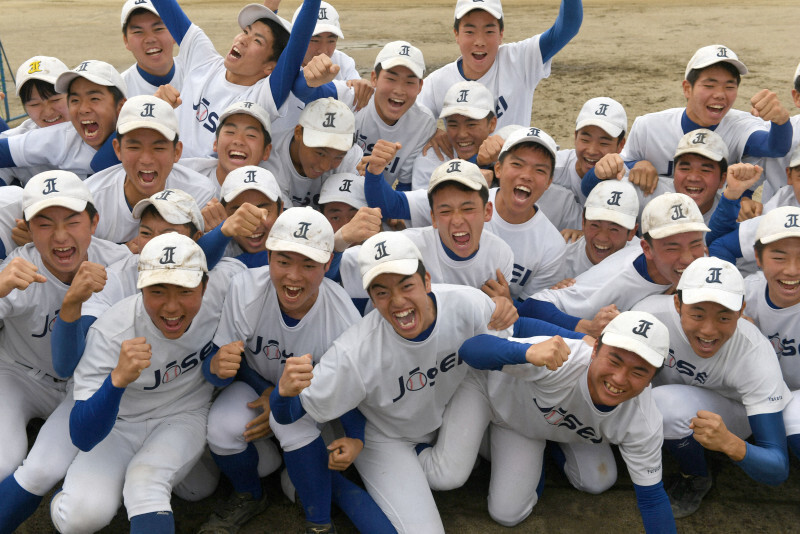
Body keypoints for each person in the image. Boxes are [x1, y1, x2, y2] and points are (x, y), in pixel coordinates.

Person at [271, 230, 513, 533]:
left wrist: (512, 311)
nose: (398, 301)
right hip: (385, 437)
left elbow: (509, 340)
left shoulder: (465, 303)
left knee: (450, 478)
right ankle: (332, 482)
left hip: (439, 412)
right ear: (371, 298)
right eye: (382, 291)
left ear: (426, 281)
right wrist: (282, 394)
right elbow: (287, 416)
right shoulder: (355, 351)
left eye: (406, 284)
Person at [201, 207, 393, 534]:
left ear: (327, 265)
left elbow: (350, 393)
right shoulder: (246, 288)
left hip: (310, 400)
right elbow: (223, 365)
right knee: (221, 426)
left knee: (290, 421)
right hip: (256, 382)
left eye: (308, 264)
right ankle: (249, 493)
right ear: (269, 256)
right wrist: (217, 368)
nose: (294, 275)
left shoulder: (342, 315)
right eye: (284, 261)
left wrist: (356, 436)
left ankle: (319, 525)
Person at [51, 233, 245, 533]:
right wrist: (116, 382)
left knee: (162, 484)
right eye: (157, 291)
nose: (171, 306)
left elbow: (266, 273)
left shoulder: (224, 288)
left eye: (184, 290)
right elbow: (82, 435)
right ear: (140, 289)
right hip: (119, 425)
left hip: (182, 413)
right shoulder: (112, 332)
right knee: (79, 516)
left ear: (205, 285)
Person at [449, 311, 675, 532]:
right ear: (595, 349)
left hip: (542, 426)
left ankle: (544, 455)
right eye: (614, 361)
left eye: (638, 372)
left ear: (651, 380)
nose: (619, 378)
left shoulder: (644, 420)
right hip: (504, 410)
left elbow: (652, 499)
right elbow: (471, 349)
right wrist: (525, 352)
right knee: (485, 498)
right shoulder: (563, 358)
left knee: (594, 481)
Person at [0, 171, 128, 533]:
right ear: (27, 228)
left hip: (79, 388)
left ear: (94, 222)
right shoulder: (18, 267)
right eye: (44, 224)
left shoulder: (116, 263)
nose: (60, 236)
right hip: (17, 373)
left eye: (72, 221)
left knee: (42, 469)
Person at [633, 256, 792, 518]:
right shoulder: (649, 316)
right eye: (697, 314)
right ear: (677, 303)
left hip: (733, 415)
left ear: (741, 311)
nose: (708, 330)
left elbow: (777, 468)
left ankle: (695, 476)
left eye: (724, 317)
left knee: (664, 405)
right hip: (681, 399)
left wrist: (730, 443)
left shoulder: (754, 352)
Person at [149, 0, 326, 157]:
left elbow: (298, 41)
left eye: (257, 41)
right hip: (164, 172)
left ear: (271, 67)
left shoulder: (260, 98)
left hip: (206, 190)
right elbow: (165, 5)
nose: (242, 40)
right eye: (245, 31)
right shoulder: (204, 59)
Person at [525, 192, 709, 336]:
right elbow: (533, 306)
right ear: (647, 249)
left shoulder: (701, 263)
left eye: (695, 244)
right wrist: (586, 327)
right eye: (673, 247)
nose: (687, 258)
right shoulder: (615, 280)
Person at [620, 44, 792, 178]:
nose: (720, 94)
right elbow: (621, 164)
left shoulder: (741, 125)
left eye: (729, 86)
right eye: (709, 85)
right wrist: (636, 165)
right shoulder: (649, 127)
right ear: (687, 89)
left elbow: (775, 147)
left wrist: (781, 121)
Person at [418, 0, 582, 133]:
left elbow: (568, 26)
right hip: (464, 173)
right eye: (470, 31)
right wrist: (432, 133)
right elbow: (409, 120)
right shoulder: (437, 82)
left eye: (489, 31)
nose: (480, 42)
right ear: (456, 34)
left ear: (501, 34)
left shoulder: (519, 61)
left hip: (514, 171)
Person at [84, 95, 215, 245]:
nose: (146, 159)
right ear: (118, 149)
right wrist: (123, 254)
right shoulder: (90, 199)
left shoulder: (199, 192)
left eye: (158, 148)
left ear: (177, 152)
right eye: (134, 147)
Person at [741, 207, 800, 462]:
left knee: (792, 416)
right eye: (779, 257)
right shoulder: (743, 295)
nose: (792, 270)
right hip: (754, 401)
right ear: (758, 257)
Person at [0, 60, 127, 176]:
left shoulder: (139, 133)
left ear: (121, 106)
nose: (48, 112)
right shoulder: (56, 137)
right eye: (75, 100)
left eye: (94, 99)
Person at [354, 41, 437, 190]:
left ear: (420, 87)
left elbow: (404, 186)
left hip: (377, 199)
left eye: (410, 82)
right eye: (391, 79)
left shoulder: (423, 122)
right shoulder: (356, 104)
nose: (399, 90)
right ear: (374, 78)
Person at [262, 97, 362, 209]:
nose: (325, 166)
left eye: (338, 157)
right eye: (320, 153)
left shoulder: (351, 156)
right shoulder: (269, 162)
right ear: (298, 132)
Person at [562, 179, 640, 279]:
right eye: (595, 225)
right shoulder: (560, 258)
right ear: (583, 221)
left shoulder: (644, 261)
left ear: (632, 232)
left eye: (614, 229)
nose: (602, 238)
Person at [120, 0, 185, 97]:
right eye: (138, 32)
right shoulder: (119, 92)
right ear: (126, 41)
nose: (150, 39)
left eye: (158, 29)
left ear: (174, 33)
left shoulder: (199, 76)